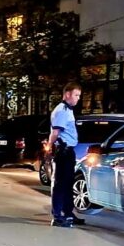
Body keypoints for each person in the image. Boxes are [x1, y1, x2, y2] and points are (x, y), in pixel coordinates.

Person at [45, 82, 84, 227]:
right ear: (67, 94)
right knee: (60, 184)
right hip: (63, 151)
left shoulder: (68, 110)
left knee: (68, 184)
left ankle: (68, 213)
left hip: (68, 151)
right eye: (76, 95)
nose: (78, 98)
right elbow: (55, 132)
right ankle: (57, 216)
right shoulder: (62, 110)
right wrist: (50, 147)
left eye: (79, 95)